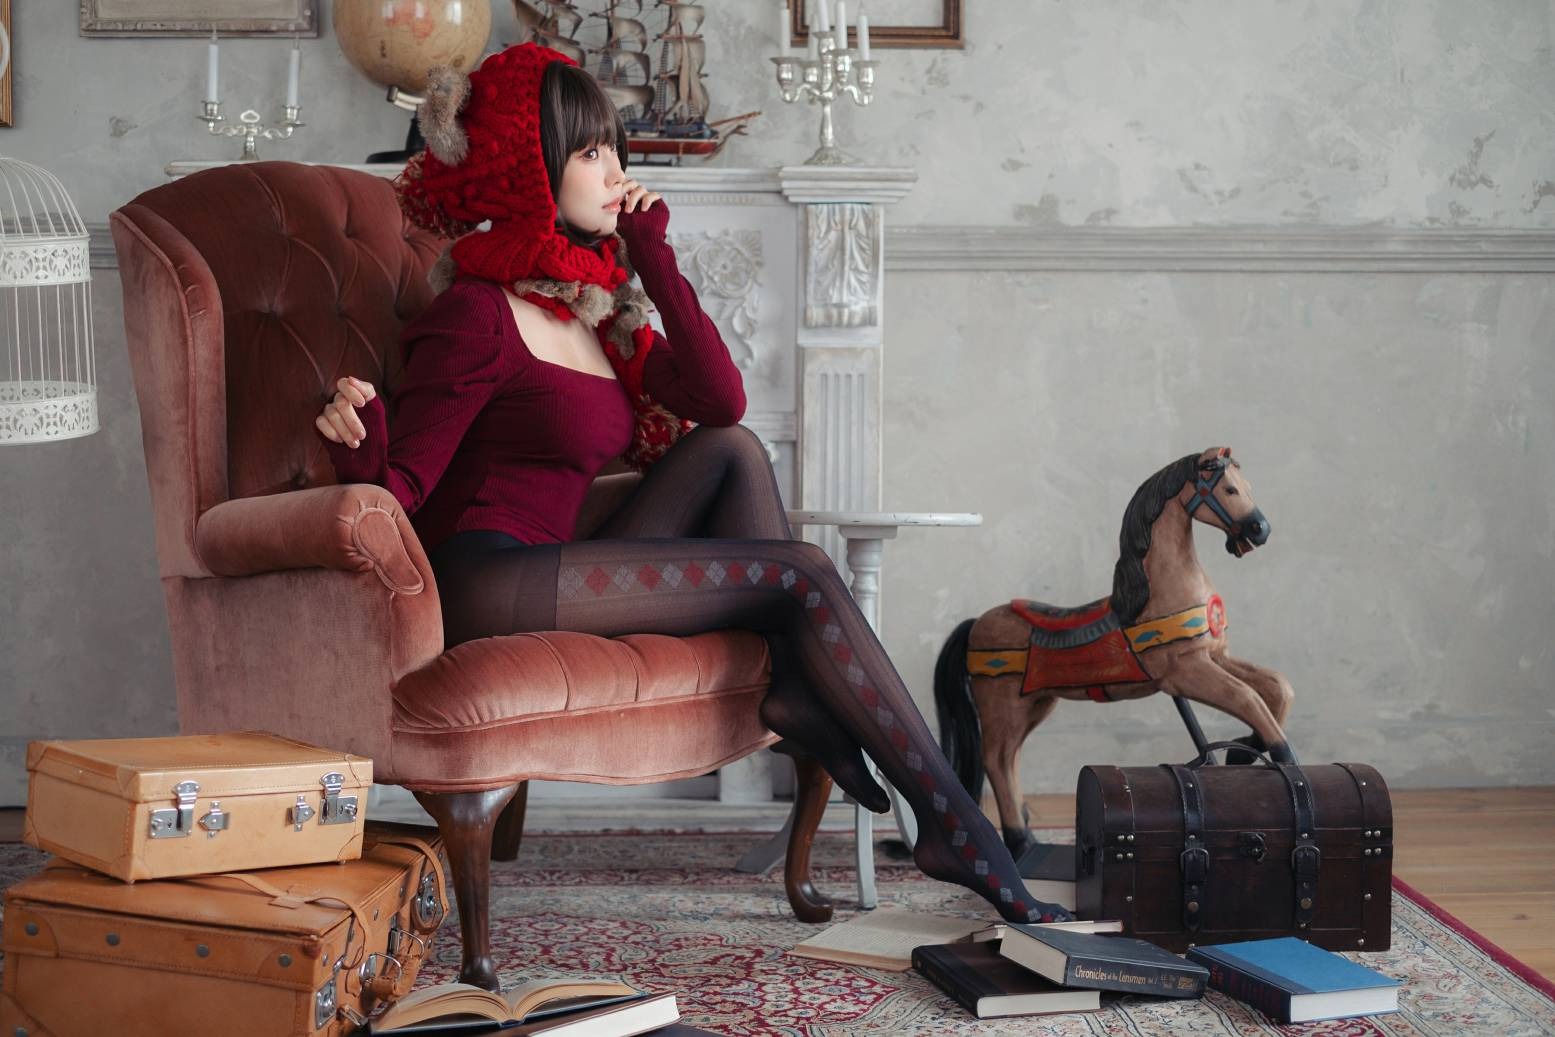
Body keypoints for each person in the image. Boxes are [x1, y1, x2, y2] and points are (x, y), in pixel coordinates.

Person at [315, 42, 1069, 926]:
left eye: (615, 148)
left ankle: (814, 704)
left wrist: (654, 256)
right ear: (530, 162)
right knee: (800, 573)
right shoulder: (475, 313)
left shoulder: (594, 310)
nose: (615, 171)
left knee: (732, 448)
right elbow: (403, 486)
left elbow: (719, 400)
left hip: (562, 560)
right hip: (486, 580)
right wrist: (356, 441)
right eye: (590, 151)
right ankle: (953, 827)